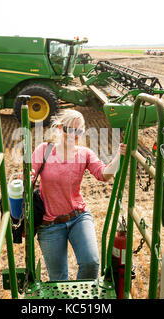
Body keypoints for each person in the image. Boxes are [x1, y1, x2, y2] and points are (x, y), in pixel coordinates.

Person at [31, 109, 126, 281]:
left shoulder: (85, 154)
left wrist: (120, 154)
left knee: (91, 263)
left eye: (78, 131)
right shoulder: (44, 150)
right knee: (59, 279)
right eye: (69, 129)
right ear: (60, 128)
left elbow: (103, 175)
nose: (73, 134)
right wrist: (25, 179)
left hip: (78, 217)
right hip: (49, 223)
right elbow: (30, 174)